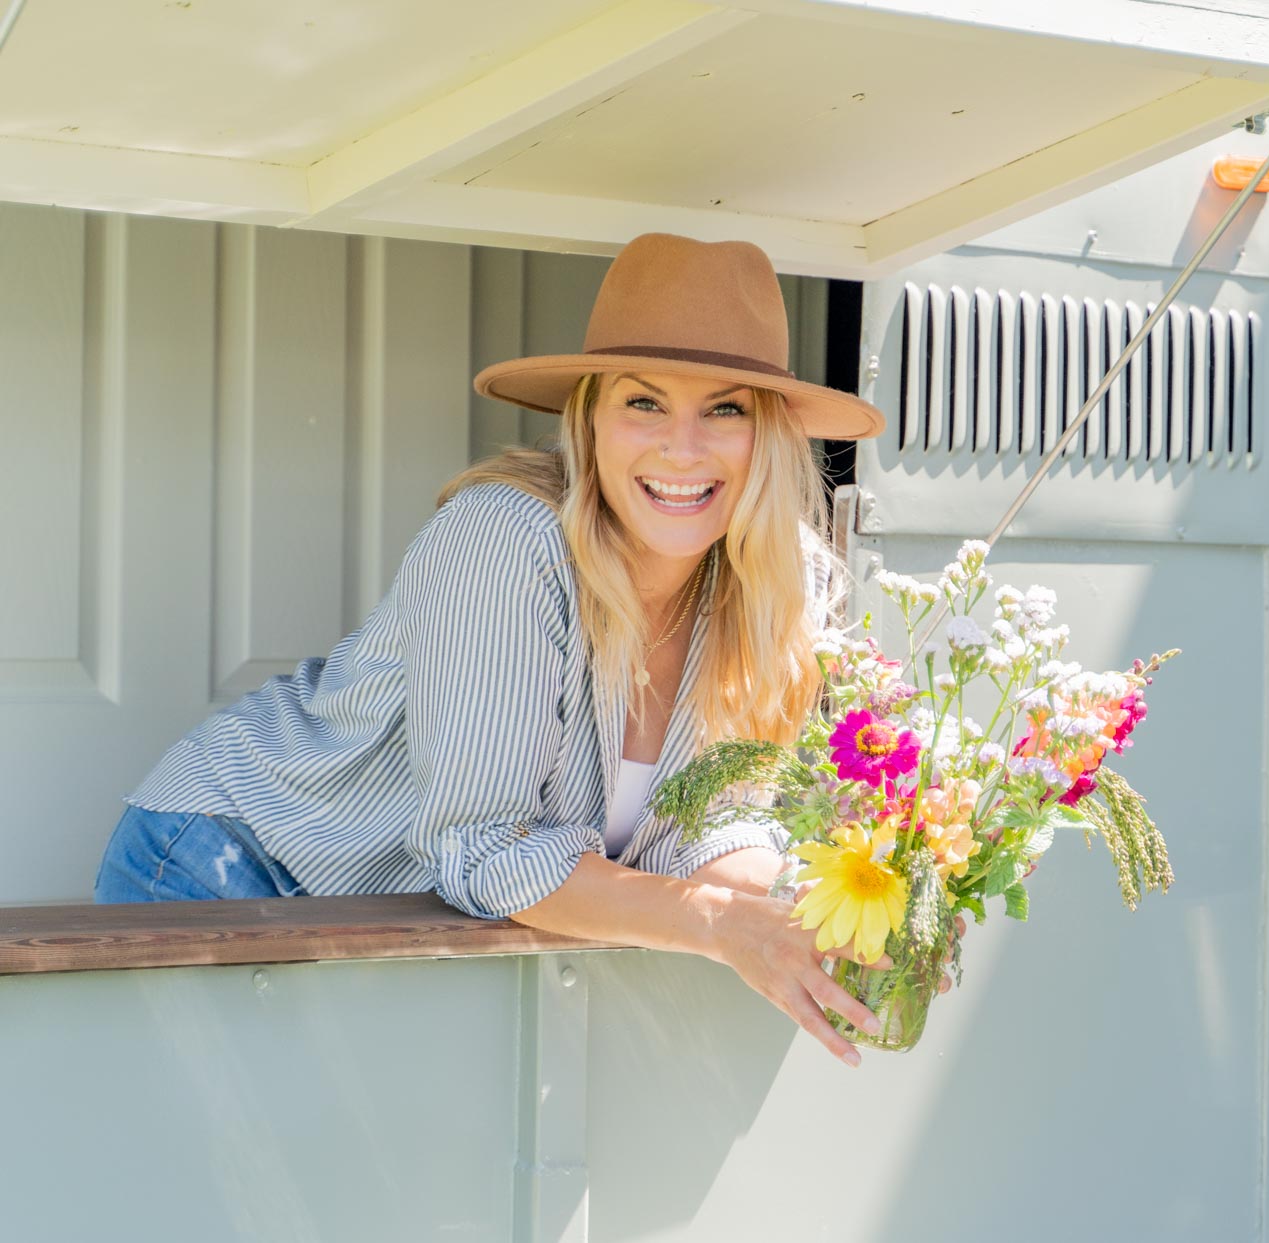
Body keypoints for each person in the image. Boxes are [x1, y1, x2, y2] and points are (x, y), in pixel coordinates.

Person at [95, 233, 894, 1066]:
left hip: (388, 912)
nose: (682, 448)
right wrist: (722, 926)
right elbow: (487, 850)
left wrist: (834, 918)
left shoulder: (776, 581)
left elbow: (709, 833)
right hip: (235, 865)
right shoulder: (507, 542)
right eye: (644, 403)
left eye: (724, 408)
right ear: (589, 417)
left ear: (766, 433)